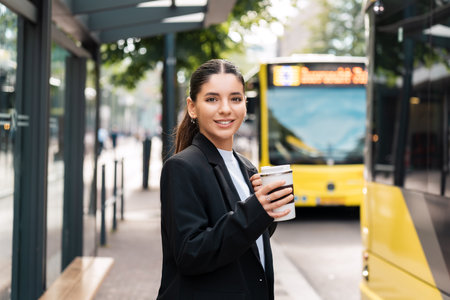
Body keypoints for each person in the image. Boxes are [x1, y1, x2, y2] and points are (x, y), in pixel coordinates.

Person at [157, 59, 294, 300]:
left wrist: (269, 211)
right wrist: (255, 209)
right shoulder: (181, 167)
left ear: (245, 104)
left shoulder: (246, 167)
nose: (225, 109)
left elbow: (246, 241)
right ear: (192, 107)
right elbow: (190, 254)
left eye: (235, 98)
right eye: (212, 99)